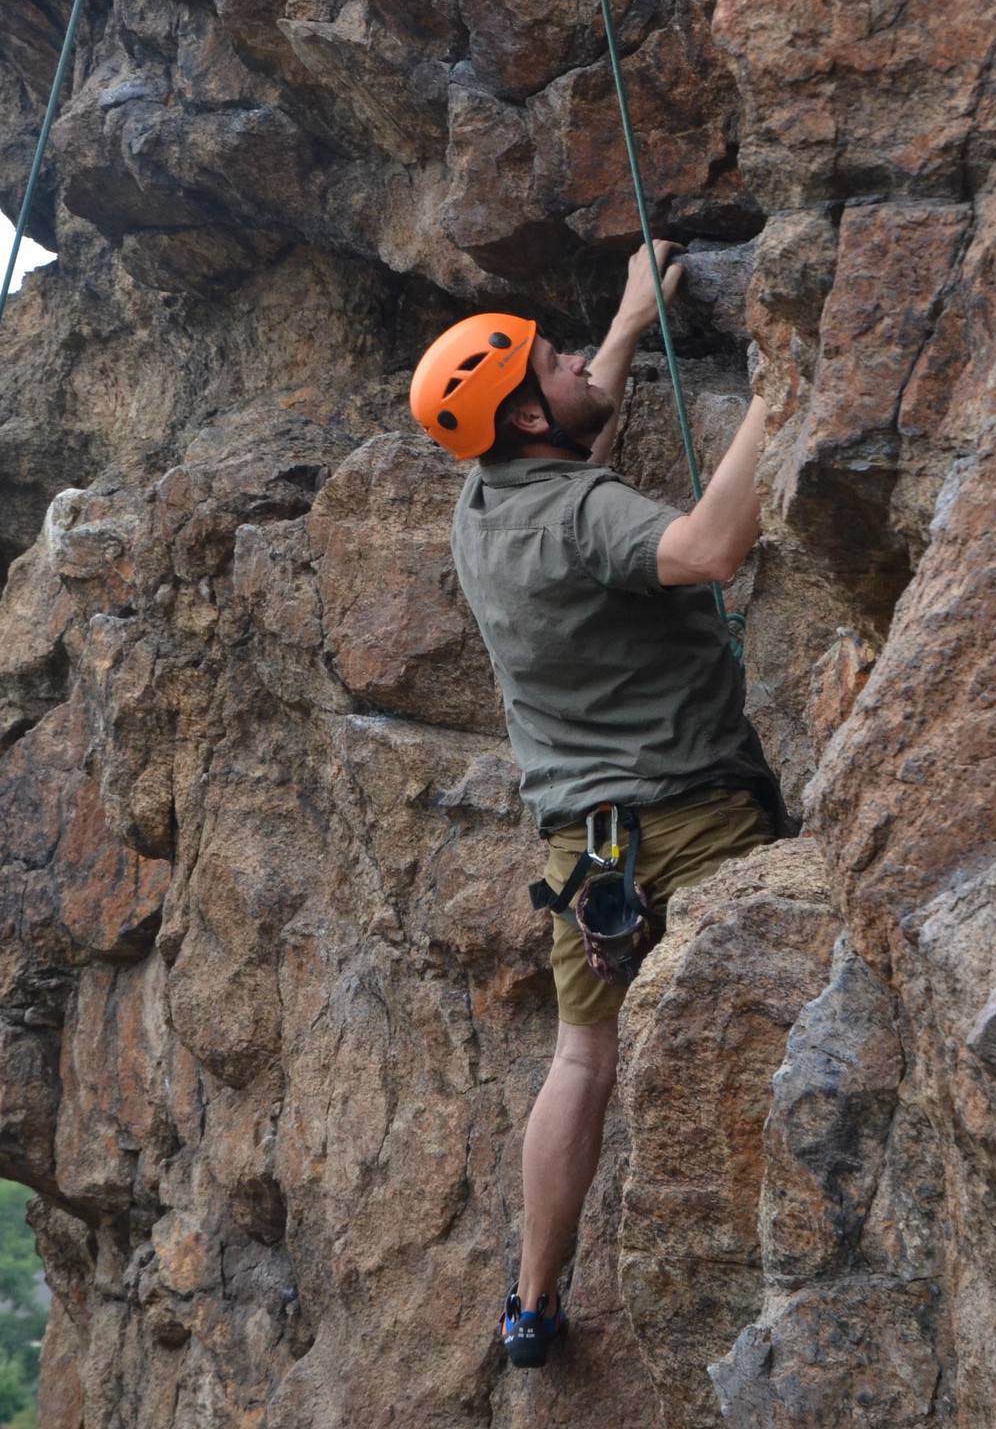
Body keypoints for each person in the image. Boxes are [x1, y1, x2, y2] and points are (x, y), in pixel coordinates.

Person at [411, 243, 788, 1369]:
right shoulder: (578, 516)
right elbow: (709, 547)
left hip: (588, 857)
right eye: (554, 359)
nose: (575, 358)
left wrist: (625, 329)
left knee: (582, 1060)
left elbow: (580, 434)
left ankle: (532, 1300)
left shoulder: (486, 505)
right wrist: (785, 396)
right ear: (528, 417)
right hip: (698, 824)